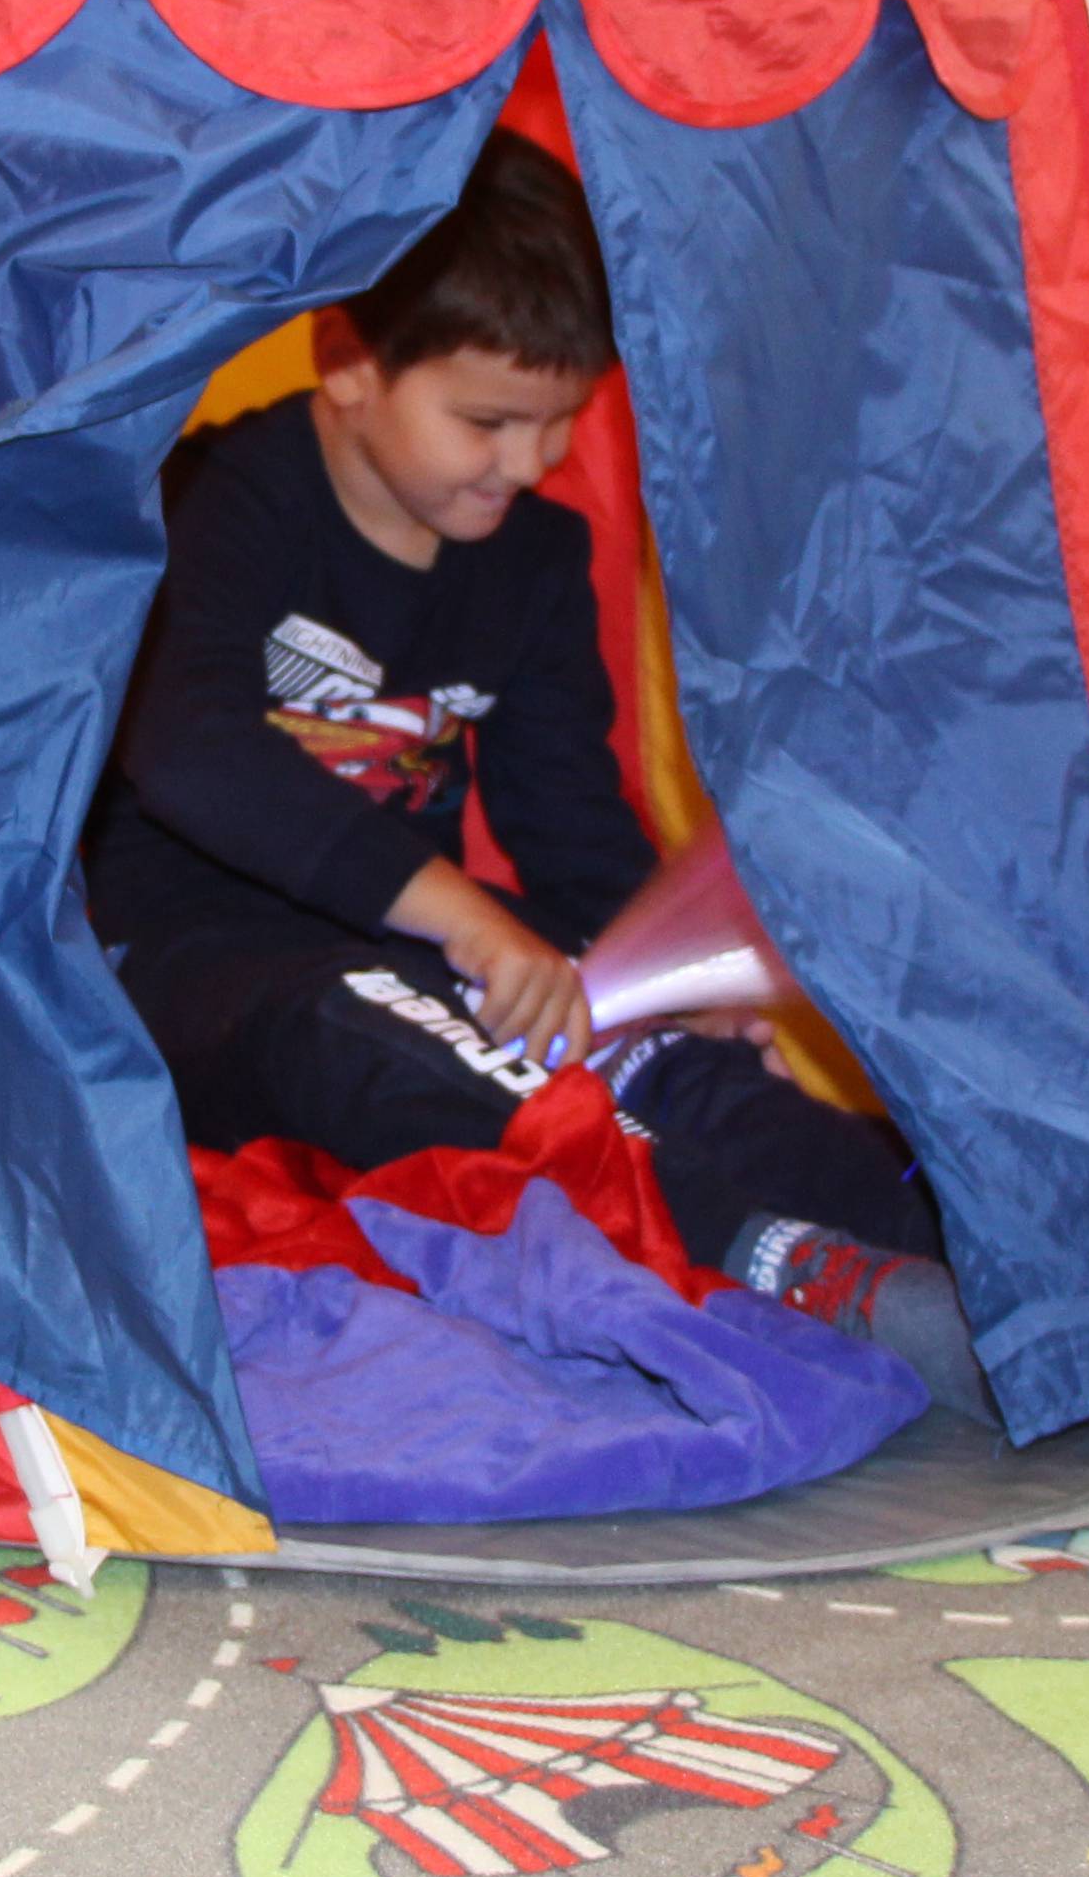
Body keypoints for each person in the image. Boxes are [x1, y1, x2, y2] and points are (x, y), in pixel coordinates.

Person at [84, 133, 987, 1419]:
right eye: (488, 422)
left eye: (564, 419)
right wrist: (462, 915)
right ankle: (781, 1265)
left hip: (419, 954)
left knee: (653, 1053)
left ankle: (965, 1251)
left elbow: (566, 818)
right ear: (348, 363)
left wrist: (665, 981)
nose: (531, 461)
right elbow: (186, 747)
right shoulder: (220, 500)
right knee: (389, 1040)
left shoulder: (533, 561)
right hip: (203, 972)